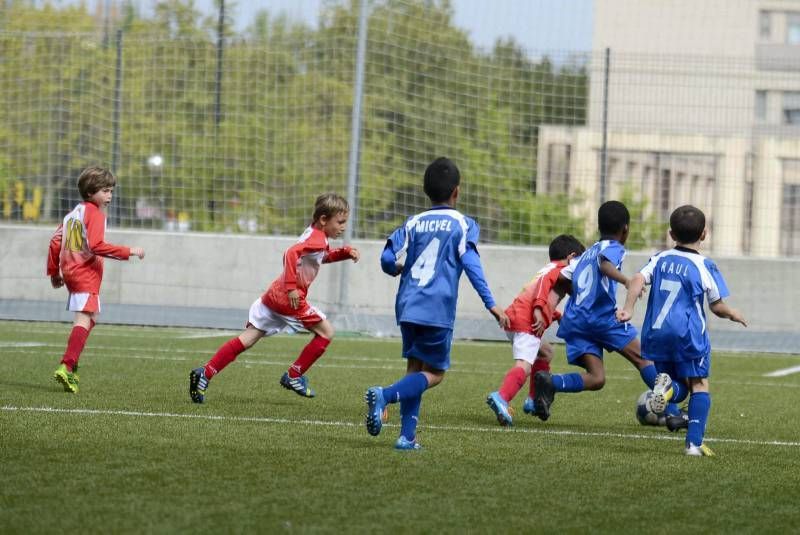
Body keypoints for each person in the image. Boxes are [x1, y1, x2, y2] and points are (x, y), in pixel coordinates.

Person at [364, 157, 509, 450]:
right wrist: (491, 304)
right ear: (457, 191)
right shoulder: (463, 224)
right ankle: (386, 394)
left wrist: (398, 269)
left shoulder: (413, 222)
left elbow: (386, 259)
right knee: (435, 374)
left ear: (425, 191)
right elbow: (471, 263)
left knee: (414, 368)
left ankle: (407, 437)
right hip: (437, 308)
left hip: (407, 305)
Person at [188, 193, 360, 403]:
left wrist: (344, 253)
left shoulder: (315, 234)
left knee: (249, 338)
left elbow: (320, 257)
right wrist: (291, 288)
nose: (343, 227)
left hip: (274, 295)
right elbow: (290, 253)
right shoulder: (316, 238)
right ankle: (294, 375)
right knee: (326, 332)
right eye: (340, 222)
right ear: (324, 220)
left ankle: (205, 373)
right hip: (289, 299)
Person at [616, 205, 746, 456]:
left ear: (671, 235)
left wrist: (628, 309)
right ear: (705, 234)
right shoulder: (704, 265)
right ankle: (693, 444)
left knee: (679, 387)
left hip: (655, 333)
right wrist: (733, 313)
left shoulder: (660, 258)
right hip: (687, 334)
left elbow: (637, 279)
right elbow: (717, 306)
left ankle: (665, 390)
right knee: (699, 384)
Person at [533, 200, 674, 422]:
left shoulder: (585, 254)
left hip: (576, 321)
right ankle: (673, 412)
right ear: (625, 229)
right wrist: (627, 281)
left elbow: (560, 280)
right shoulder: (613, 248)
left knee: (597, 378)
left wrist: (548, 308)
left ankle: (552, 382)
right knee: (644, 359)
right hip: (601, 319)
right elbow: (604, 264)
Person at [47, 166, 145, 392]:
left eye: (111, 191)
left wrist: (54, 272)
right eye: (105, 191)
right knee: (84, 317)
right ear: (91, 192)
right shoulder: (95, 213)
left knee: (92, 316)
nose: (109, 196)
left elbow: (54, 242)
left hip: (71, 270)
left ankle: (72, 363)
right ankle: (67, 365)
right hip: (85, 273)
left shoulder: (72, 214)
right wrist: (129, 251)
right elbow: (97, 245)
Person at [486, 234, 585, 426]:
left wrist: (556, 316)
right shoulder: (560, 269)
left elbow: (541, 295)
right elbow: (542, 290)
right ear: (572, 257)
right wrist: (539, 311)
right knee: (524, 365)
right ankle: (502, 397)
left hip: (516, 316)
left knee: (546, 353)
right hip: (528, 320)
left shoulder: (547, 268)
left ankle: (532, 399)